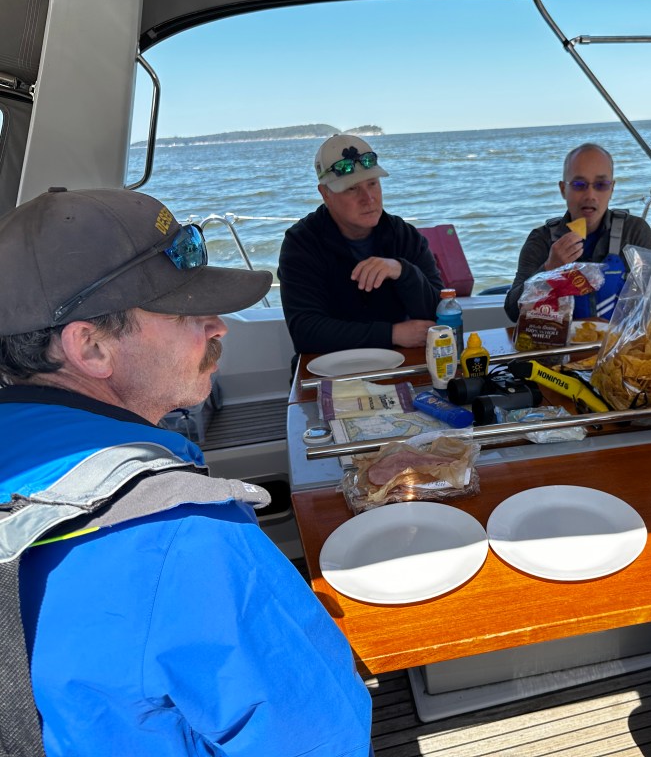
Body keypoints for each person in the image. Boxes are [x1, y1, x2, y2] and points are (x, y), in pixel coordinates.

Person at [0, 188, 373, 756]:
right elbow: (325, 740)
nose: (219, 326)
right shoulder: (182, 536)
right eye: (185, 312)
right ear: (92, 347)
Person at [278, 134, 443, 362]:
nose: (369, 198)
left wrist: (402, 271)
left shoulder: (405, 235)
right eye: (352, 189)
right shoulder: (301, 243)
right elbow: (305, 332)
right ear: (325, 193)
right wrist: (392, 333)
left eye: (372, 183)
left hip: (402, 363)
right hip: (329, 372)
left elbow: (441, 314)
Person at [503, 142, 651, 322]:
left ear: (612, 188)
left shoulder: (634, 232)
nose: (590, 195)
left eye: (601, 184)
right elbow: (513, 311)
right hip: (560, 346)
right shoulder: (542, 240)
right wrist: (549, 270)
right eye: (578, 184)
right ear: (563, 189)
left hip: (619, 345)